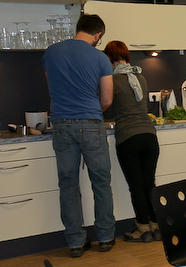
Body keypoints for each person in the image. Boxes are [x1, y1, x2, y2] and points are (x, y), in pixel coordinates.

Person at [42, 13, 116, 258]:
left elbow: (52, 88)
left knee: (68, 184)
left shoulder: (50, 53)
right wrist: (92, 110)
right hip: (92, 124)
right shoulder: (100, 58)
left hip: (61, 124)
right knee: (101, 183)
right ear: (98, 35)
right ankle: (105, 237)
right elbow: (106, 99)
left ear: (78, 28)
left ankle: (75, 242)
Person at [103, 40, 161, 243]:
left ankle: (143, 229)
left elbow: (108, 111)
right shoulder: (140, 77)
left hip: (128, 138)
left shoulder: (111, 80)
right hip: (149, 137)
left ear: (108, 58)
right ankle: (156, 226)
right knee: (149, 184)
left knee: (136, 186)